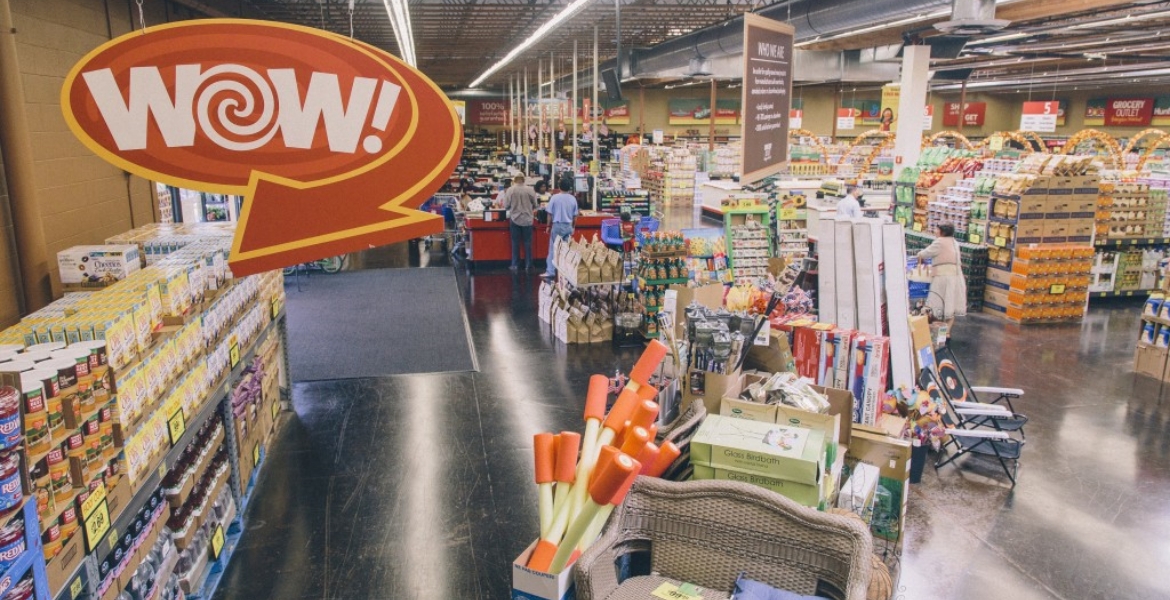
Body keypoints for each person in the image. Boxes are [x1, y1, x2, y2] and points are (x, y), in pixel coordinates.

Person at [916, 222, 968, 332]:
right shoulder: (955, 242)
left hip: (943, 277)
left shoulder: (939, 242)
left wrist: (919, 257)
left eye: (937, 229)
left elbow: (923, 254)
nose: (935, 231)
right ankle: (947, 331)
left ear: (942, 232)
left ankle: (923, 329)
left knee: (935, 302)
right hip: (956, 277)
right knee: (950, 304)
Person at [544, 176, 579, 278]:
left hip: (557, 226)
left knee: (553, 249)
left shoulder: (555, 197)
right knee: (566, 250)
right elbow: (575, 216)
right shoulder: (573, 199)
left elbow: (549, 214)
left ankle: (550, 271)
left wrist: (547, 226)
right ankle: (565, 272)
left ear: (559, 187)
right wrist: (573, 227)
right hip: (568, 226)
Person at [503, 175, 539, 271]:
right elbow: (535, 204)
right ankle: (529, 265)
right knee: (528, 243)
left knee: (515, 243)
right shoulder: (530, 190)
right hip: (527, 220)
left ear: (514, 180)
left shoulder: (510, 190)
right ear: (524, 180)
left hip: (515, 219)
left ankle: (515, 265)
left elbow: (506, 206)